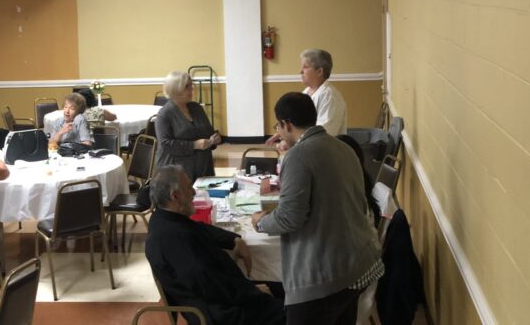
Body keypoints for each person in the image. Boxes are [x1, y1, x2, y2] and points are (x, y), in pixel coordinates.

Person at [252, 92, 383, 325]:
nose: (279, 132)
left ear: (287, 124)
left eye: (278, 126)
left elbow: (290, 218)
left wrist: (261, 222)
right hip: (358, 265)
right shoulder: (343, 147)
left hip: (323, 275)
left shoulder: (298, 155)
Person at [145, 165, 286, 325]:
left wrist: (233, 239)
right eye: (188, 188)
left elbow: (199, 228)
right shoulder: (172, 238)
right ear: (175, 196)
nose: (193, 193)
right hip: (223, 313)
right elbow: (209, 284)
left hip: (226, 296)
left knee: (293, 291)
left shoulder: (164, 219)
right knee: (302, 311)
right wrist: (252, 291)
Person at [266, 48, 347, 149]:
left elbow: (324, 133)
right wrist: (280, 134)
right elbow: (296, 122)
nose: (300, 71)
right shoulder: (306, 92)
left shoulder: (329, 97)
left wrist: (292, 142)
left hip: (327, 152)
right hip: (307, 147)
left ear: (319, 71)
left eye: (305, 67)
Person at [155, 71, 221, 182]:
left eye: (191, 85)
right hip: (178, 174)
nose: (192, 89)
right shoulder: (164, 114)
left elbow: (208, 133)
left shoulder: (196, 108)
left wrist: (215, 139)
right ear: (176, 89)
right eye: (187, 86)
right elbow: (165, 144)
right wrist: (194, 145)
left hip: (204, 170)